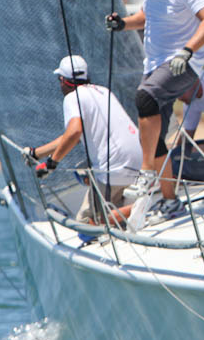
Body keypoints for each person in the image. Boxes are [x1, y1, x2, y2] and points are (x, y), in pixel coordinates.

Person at [105, 0, 204, 221]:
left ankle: (146, 172)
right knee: (154, 138)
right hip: (155, 65)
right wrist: (123, 24)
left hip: (184, 62)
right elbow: (146, 17)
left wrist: (188, 50)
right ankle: (171, 201)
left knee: (144, 98)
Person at [26, 55, 142, 225]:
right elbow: (71, 135)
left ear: (63, 81)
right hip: (140, 163)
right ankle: (132, 209)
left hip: (114, 168)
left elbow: (74, 132)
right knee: (109, 212)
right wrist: (37, 153)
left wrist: (51, 164)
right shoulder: (104, 91)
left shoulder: (72, 98)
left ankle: (138, 208)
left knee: (86, 224)